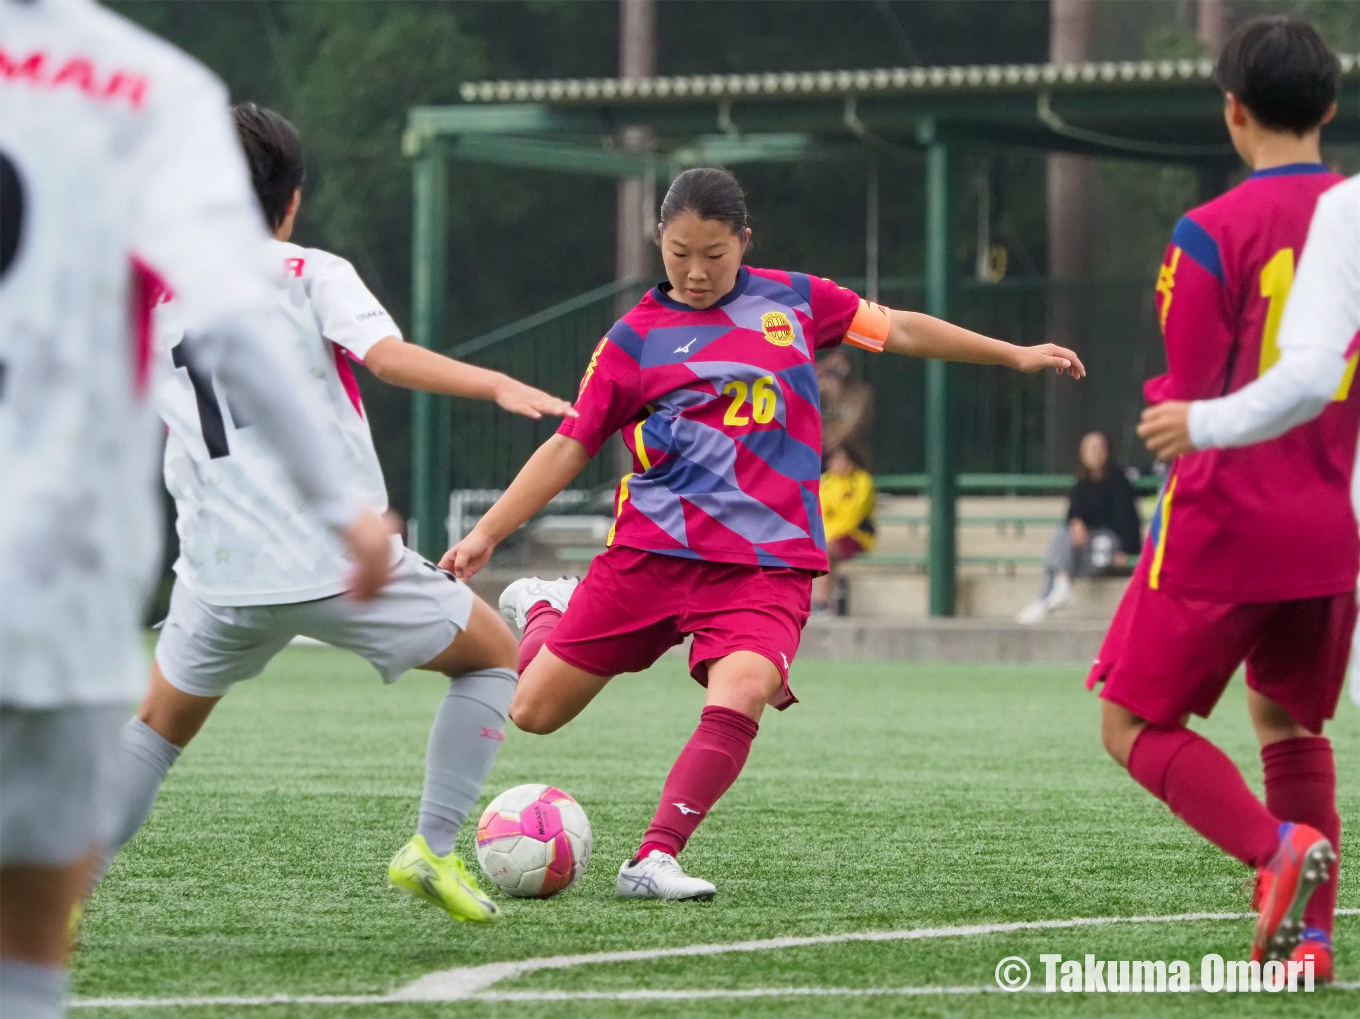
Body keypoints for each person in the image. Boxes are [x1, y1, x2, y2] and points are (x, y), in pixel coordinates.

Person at [444, 166, 1084, 900]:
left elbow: (900, 327)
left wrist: (1013, 353)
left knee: (746, 684)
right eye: (679, 252)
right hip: (653, 551)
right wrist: (490, 532)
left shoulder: (798, 302)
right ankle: (548, 606)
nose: (695, 271)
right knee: (534, 711)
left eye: (714, 253)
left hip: (764, 562)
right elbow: (569, 443)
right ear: (660, 240)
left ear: (745, 242)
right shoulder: (633, 341)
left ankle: (652, 857)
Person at [94, 104, 578, 928]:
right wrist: (493, 384)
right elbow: (385, 358)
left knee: (154, 732)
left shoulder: (154, 288)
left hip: (217, 576)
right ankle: (430, 846)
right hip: (331, 560)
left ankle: (55, 889)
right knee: (494, 656)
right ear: (292, 200)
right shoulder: (309, 271)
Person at [0, 4, 392, 1017]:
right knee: (27, 947)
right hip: (60, 558)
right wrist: (339, 504)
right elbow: (235, 315)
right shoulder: (152, 91)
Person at [1088, 17, 1353, 979]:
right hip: (1331, 523)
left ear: (1232, 112)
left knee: (1127, 723)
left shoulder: (1208, 233)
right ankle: (1310, 943)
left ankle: (1271, 851)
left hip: (1224, 518)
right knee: (1289, 723)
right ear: (1329, 107)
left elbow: (1189, 391)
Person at [1015, 430, 1140, 624]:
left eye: (1099, 448)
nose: (1094, 453)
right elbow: (1073, 513)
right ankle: (1059, 585)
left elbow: (1128, 519)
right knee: (1062, 535)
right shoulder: (1081, 484)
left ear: (1107, 452)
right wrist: (1076, 522)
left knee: (1059, 550)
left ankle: (1047, 597)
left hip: (1110, 543)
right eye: (1089, 449)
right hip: (1087, 543)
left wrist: (1126, 549)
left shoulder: (1118, 480)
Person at [811, 443, 876, 614]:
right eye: (834, 459)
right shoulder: (825, 482)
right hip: (827, 535)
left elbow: (853, 515)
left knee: (824, 551)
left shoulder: (862, 481)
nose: (836, 463)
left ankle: (822, 601)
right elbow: (819, 511)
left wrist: (828, 535)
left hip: (855, 535)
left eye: (841, 459)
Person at [818, 347, 874, 457]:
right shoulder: (818, 391)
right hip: (818, 456)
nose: (837, 362)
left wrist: (835, 395)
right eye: (833, 355)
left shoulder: (860, 394)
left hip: (851, 457)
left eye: (843, 357)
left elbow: (850, 429)